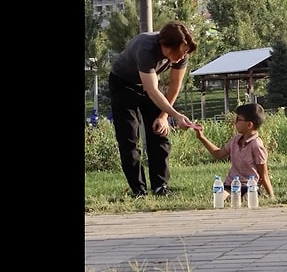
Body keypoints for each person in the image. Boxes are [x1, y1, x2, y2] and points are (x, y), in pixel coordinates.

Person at [109, 21, 198, 198]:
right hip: (123, 85)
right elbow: (152, 90)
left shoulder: (183, 51)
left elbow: (174, 86)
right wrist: (177, 116)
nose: (182, 56)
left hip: (151, 84)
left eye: (185, 52)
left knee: (159, 133)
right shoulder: (145, 47)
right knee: (129, 139)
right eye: (180, 52)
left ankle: (160, 187)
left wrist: (165, 115)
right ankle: (138, 190)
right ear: (166, 45)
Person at [194, 103, 275, 201]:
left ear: (249, 124)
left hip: (249, 187)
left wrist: (272, 197)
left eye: (238, 120)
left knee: (245, 201)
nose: (235, 123)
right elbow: (218, 154)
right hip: (231, 185)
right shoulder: (235, 140)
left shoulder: (257, 146)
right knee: (218, 199)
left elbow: (264, 175)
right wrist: (201, 138)